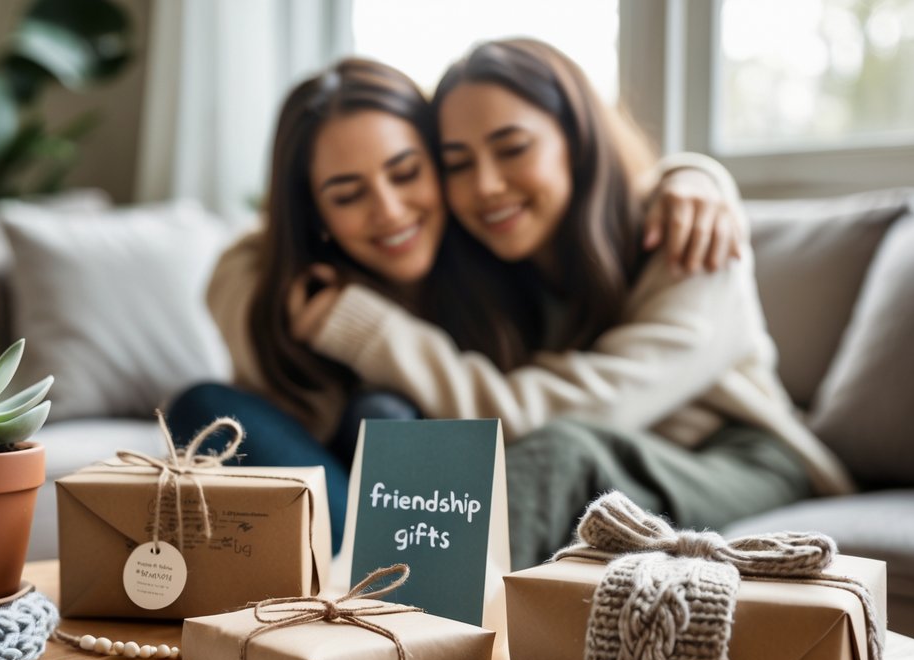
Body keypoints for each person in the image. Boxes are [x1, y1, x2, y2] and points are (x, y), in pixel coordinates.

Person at [275, 40, 853, 566]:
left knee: (560, 452)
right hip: (620, 461)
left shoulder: (690, 241)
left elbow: (561, 418)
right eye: (457, 163)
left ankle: (402, 633)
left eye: (513, 148)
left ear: (576, 140)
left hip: (746, 458)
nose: (487, 186)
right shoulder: (492, 261)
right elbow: (267, 245)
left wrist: (700, 176)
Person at [168, 55, 759, 560]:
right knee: (211, 405)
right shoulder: (271, 280)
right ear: (312, 213)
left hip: (670, 457)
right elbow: (287, 381)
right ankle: (373, 580)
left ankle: (380, 588)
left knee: (390, 413)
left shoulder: (488, 250)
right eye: (347, 194)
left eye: (408, 172)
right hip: (334, 463)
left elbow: (605, 196)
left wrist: (698, 176)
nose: (391, 211)